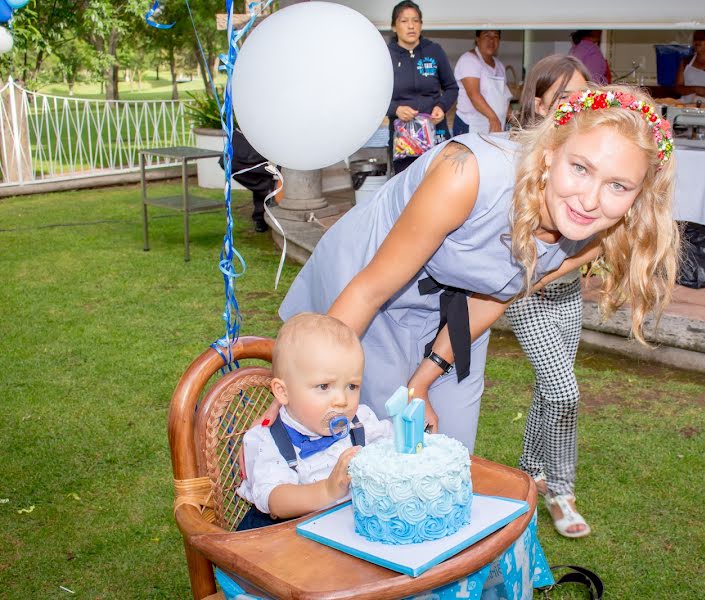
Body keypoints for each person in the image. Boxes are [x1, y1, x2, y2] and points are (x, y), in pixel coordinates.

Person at [278, 83, 679, 455]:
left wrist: (421, 382)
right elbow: (369, 290)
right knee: (366, 443)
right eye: (580, 168)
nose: (590, 200)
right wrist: (304, 400)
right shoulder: (466, 172)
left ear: (640, 193)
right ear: (551, 152)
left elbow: (493, 296)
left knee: (450, 449)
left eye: (618, 186)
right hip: (369, 287)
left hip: (454, 307)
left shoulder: (598, 233)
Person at [504, 55, 595, 538]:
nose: (574, 106)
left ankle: (528, 471)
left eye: (581, 96)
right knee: (564, 391)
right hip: (528, 293)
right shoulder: (521, 157)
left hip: (569, 293)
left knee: (549, 388)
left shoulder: (590, 152)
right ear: (539, 103)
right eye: (563, 98)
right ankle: (561, 492)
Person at [236, 313, 392, 530]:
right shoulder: (268, 441)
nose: (342, 400)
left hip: (347, 530)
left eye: (352, 386)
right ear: (282, 392)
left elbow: (391, 452)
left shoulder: (361, 422)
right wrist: (327, 490)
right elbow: (275, 501)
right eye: (324, 387)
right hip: (286, 539)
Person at [387, 1, 459, 174]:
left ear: (421, 24)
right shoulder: (385, 55)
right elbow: (373, 97)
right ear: (394, 27)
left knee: (438, 181)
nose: (411, 26)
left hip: (436, 130)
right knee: (406, 187)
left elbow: (451, 88)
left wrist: (441, 107)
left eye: (416, 20)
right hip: (403, 137)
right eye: (404, 21)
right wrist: (395, 109)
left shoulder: (434, 51)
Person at [452, 30, 514, 135]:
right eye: (487, 36)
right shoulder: (468, 60)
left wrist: (517, 121)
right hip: (471, 125)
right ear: (477, 39)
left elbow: (504, 99)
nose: (491, 40)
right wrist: (493, 118)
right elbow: (474, 95)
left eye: (496, 36)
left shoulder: (499, 65)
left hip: (495, 126)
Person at [220, 129, 277, 233]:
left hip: (268, 134)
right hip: (247, 132)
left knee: (264, 168)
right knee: (227, 162)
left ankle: (261, 214)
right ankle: (266, 190)